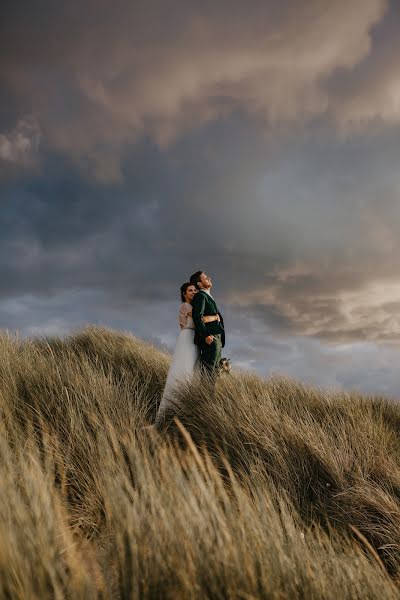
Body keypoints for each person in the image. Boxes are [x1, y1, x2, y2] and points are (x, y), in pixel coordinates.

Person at [155, 282, 219, 427]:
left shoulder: (194, 306)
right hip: (187, 339)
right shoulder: (186, 306)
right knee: (183, 370)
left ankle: (185, 411)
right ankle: (171, 411)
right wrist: (215, 318)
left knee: (192, 372)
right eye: (190, 290)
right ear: (184, 294)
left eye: (195, 290)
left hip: (193, 340)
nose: (193, 292)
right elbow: (199, 320)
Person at [189, 271, 225, 381]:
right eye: (205, 277)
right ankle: (204, 397)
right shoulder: (200, 296)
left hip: (217, 339)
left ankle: (209, 398)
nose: (209, 278)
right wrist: (206, 336)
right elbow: (197, 318)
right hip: (210, 339)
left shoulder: (208, 296)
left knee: (214, 374)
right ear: (199, 284)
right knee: (208, 374)